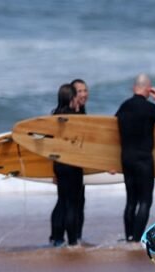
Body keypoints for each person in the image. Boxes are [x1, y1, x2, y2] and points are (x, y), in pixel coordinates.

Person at [117, 73, 155, 241]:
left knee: (131, 201)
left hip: (126, 158)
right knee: (145, 201)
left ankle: (129, 237)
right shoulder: (149, 108)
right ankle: (136, 240)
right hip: (144, 160)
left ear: (134, 88)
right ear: (149, 89)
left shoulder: (123, 107)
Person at [49, 83, 85, 246]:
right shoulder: (75, 118)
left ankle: (57, 239)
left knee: (62, 201)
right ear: (71, 98)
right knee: (72, 204)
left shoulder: (54, 116)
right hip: (72, 163)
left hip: (58, 164)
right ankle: (72, 242)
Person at [70, 78, 88, 240]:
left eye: (85, 90)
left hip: (79, 165)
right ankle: (62, 239)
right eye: (79, 91)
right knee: (67, 203)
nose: (83, 94)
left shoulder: (82, 111)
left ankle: (77, 238)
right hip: (68, 165)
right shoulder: (66, 114)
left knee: (80, 202)